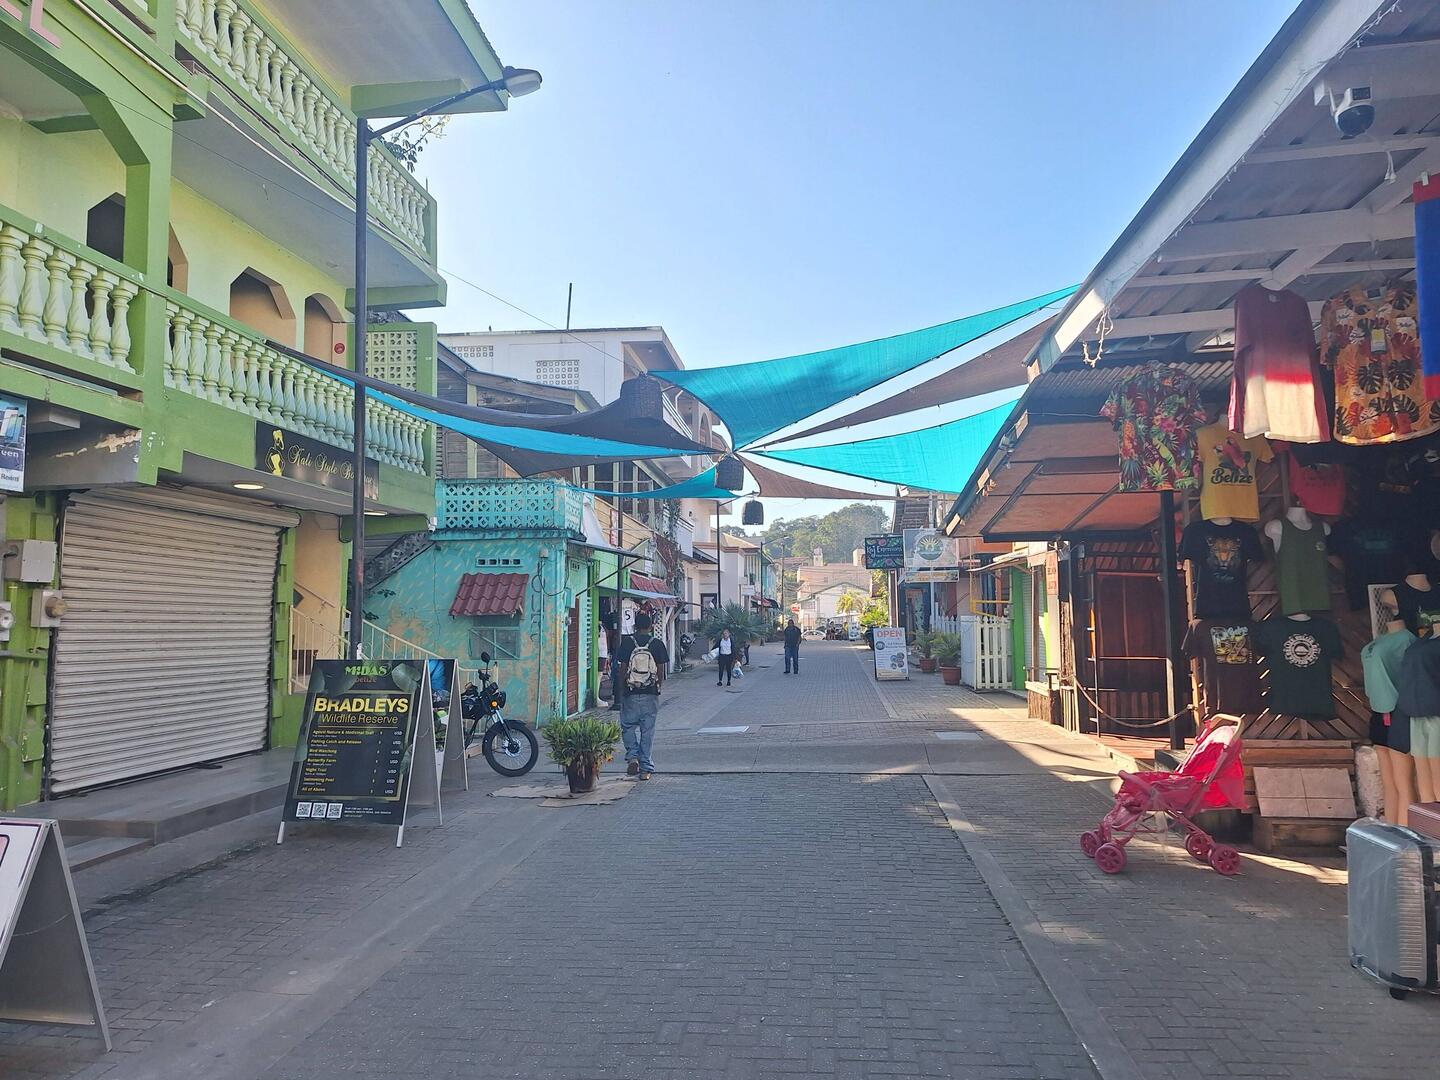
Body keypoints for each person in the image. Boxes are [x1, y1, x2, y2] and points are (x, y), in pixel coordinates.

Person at [613, 612, 668, 780]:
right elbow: (661, 669)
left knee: (627, 727)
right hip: (650, 693)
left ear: (635, 626)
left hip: (630, 691)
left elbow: (622, 667)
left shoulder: (627, 642)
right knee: (647, 730)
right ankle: (645, 769)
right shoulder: (657, 644)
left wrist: (622, 689)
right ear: (651, 626)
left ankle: (632, 757)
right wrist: (658, 686)